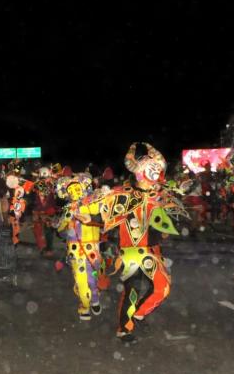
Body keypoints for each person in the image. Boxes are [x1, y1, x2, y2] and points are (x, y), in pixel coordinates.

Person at [100, 142, 184, 342]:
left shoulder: (158, 194)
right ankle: (125, 328)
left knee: (162, 287)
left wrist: (165, 227)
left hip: (152, 249)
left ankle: (137, 314)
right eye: (155, 171)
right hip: (131, 251)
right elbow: (103, 213)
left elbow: (165, 220)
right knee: (133, 289)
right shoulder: (124, 195)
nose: (158, 176)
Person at [56, 174, 104, 320]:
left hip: (92, 248)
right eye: (71, 190)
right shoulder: (68, 209)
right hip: (75, 250)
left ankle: (94, 297)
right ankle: (85, 304)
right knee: (81, 280)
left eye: (77, 188)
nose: (75, 192)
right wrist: (67, 220)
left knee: (93, 278)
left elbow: (105, 220)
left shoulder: (94, 204)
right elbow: (59, 228)